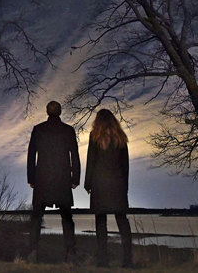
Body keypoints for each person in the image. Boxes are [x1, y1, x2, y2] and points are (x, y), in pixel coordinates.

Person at [27, 101, 81, 263]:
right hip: (62, 179)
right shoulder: (68, 130)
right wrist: (75, 178)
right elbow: (75, 156)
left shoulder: (38, 129)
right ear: (60, 112)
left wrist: (31, 178)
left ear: (47, 112)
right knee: (66, 218)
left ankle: (32, 253)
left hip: (42, 179)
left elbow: (31, 156)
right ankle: (70, 253)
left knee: (36, 217)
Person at [84, 109, 133, 268]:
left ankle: (102, 261)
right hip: (117, 184)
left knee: (100, 223)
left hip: (100, 184)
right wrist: (125, 186)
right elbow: (125, 165)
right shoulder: (120, 137)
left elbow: (91, 161)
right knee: (122, 222)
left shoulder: (94, 136)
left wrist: (88, 183)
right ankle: (127, 261)